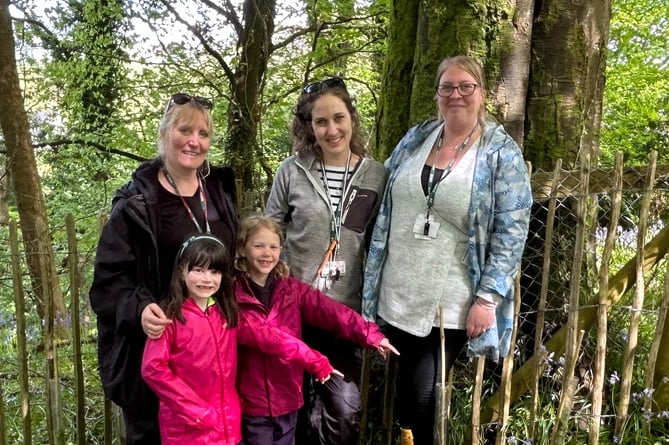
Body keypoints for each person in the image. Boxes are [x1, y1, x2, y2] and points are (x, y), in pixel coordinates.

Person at [362, 55, 533, 445]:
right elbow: (381, 187)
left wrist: (488, 298)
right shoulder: (417, 137)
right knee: (407, 390)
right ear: (437, 93)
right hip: (398, 290)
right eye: (447, 87)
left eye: (465, 86)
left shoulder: (500, 155)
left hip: (450, 299)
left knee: (424, 393)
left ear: (482, 93)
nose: (456, 94)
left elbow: (513, 229)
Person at [89, 93, 238, 445]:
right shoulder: (135, 204)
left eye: (203, 133)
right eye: (184, 129)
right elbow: (107, 284)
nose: (194, 141)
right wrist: (140, 310)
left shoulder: (218, 192)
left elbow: (229, 261)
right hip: (157, 361)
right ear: (164, 134)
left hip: (212, 358)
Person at [264, 77, 388, 445]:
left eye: (339, 118)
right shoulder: (291, 171)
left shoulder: (376, 175)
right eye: (321, 122)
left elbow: (380, 241)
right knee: (292, 405)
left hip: (343, 312)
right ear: (309, 127)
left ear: (352, 117)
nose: (332, 130)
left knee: (345, 406)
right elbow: (270, 230)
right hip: (292, 309)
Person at [233, 215, 399, 445]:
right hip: (253, 401)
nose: (266, 253)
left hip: (288, 397)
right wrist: (314, 360)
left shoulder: (291, 289)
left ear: (282, 249)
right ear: (242, 248)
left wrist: (368, 333)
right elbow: (267, 337)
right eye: (258, 245)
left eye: (273, 246)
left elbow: (330, 311)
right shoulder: (233, 296)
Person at [141, 235, 242, 445]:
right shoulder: (170, 317)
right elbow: (153, 368)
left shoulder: (227, 314)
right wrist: (197, 411)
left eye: (214, 271)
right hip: (187, 431)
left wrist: (315, 361)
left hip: (228, 428)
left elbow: (269, 336)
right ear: (181, 272)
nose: (207, 279)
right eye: (198, 270)